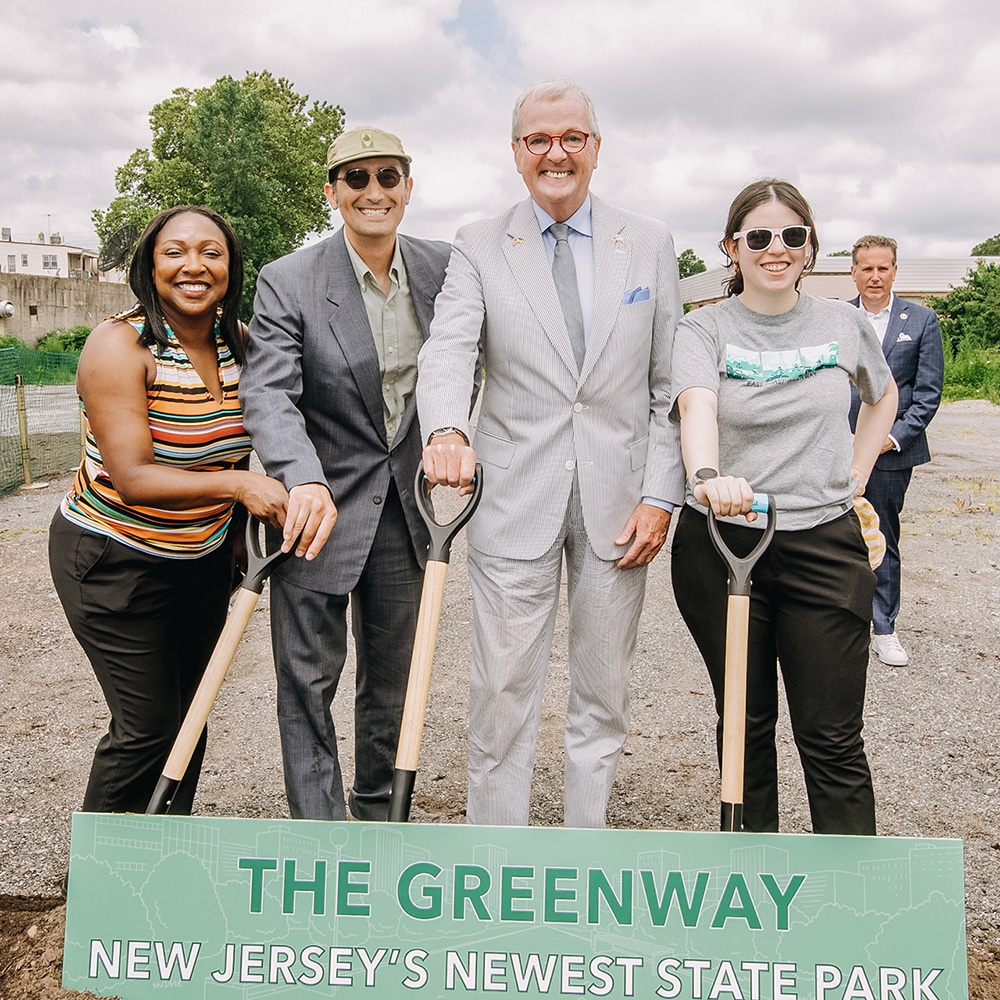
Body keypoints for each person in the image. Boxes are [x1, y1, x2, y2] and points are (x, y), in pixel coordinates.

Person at [418, 77, 684, 828]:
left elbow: (670, 385)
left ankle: (582, 854)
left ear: (596, 149)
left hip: (622, 506)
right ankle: (497, 861)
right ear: (516, 153)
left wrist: (662, 494)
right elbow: (449, 349)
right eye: (539, 139)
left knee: (603, 694)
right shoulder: (478, 243)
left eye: (572, 137)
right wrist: (445, 430)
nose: (556, 152)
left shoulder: (651, 243)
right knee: (500, 693)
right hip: (512, 497)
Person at [669, 179, 898, 835]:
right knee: (744, 725)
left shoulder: (843, 323)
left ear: (809, 245)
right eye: (759, 236)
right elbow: (697, 406)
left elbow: (881, 397)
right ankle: (756, 909)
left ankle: (855, 915)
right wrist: (709, 476)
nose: (777, 249)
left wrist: (856, 473)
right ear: (732, 248)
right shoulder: (703, 327)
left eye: (792, 236)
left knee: (831, 735)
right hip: (725, 547)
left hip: (824, 542)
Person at [239, 126, 453, 821]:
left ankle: (379, 820)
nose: (373, 192)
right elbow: (269, 392)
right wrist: (300, 477)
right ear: (332, 192)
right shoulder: (289, 280)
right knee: (307, 682)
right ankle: (321, 840)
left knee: (394, 683)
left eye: (388, 176)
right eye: (355, 178)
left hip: (408, 510)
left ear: (408, 188)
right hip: (318, 509)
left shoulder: (444, 268)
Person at [48, 205, 289, 814]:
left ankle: (158, 872)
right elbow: (132, 477)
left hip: (199, 560)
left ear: (231, 270)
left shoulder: (239, 344)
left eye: (212, 253)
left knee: (190, 720)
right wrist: (239, 492)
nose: (194, 266)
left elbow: (236, 445)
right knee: (146, 728)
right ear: (149, 266)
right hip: (112, 558)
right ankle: (99, 893)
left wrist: (236, 541)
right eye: (175, 252)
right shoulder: (119, 344)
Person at [848, 235, 944, 667]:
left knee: (881, 536)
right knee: (833, 534)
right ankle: (841, 618)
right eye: (866, 268)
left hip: (890, 455)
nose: (874, 276)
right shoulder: (837, 318)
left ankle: (883, 627)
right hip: (835, 448)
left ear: (894, 271)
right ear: (853, 271)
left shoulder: (921, 321)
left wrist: (889, 437)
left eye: (882, 268)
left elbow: (926, 394)